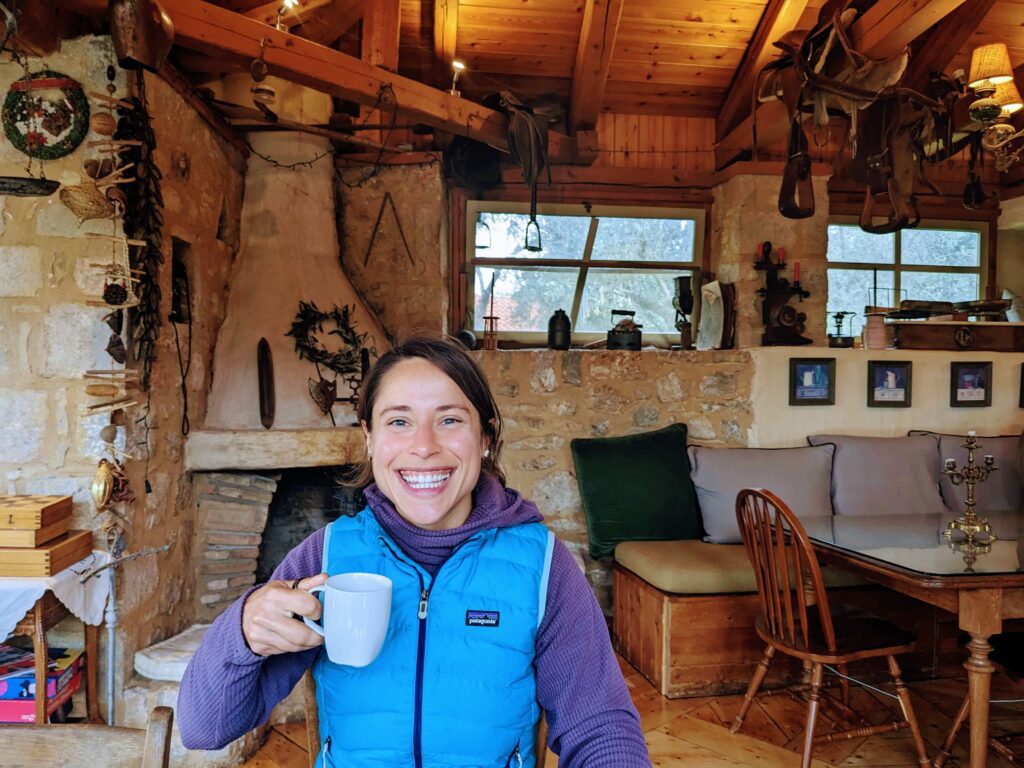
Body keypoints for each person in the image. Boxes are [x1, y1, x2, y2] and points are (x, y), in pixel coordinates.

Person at [178, 334, 651, 767]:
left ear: (485, 437)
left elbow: (600, 727)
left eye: (449, 420)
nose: (423, 446)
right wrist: (240, 629)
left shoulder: (543, 566)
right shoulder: (325, 557)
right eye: (399, 421)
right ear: (369, 437)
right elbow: (204, 728)